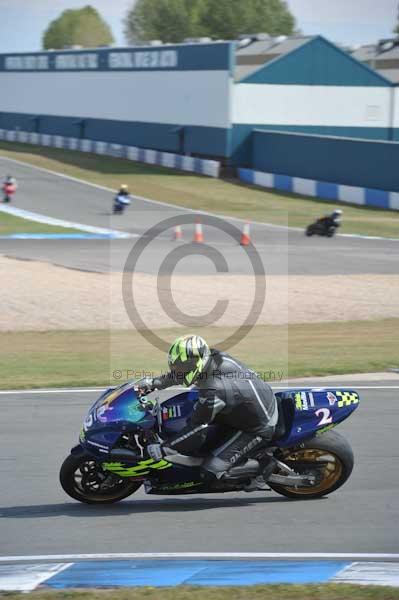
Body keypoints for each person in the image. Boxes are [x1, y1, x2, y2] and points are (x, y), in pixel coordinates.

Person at [141, 334, 278, 486]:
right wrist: (153, 383)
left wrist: (165, 448)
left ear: (197, 362)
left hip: (257, 427)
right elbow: (183, 373)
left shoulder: (213, 391)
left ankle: (264, 465)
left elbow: (197, 427)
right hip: (248, 405)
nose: (179, 370)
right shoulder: (212, 356)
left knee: (210, 471)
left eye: (183, 366)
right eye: (177, 366)